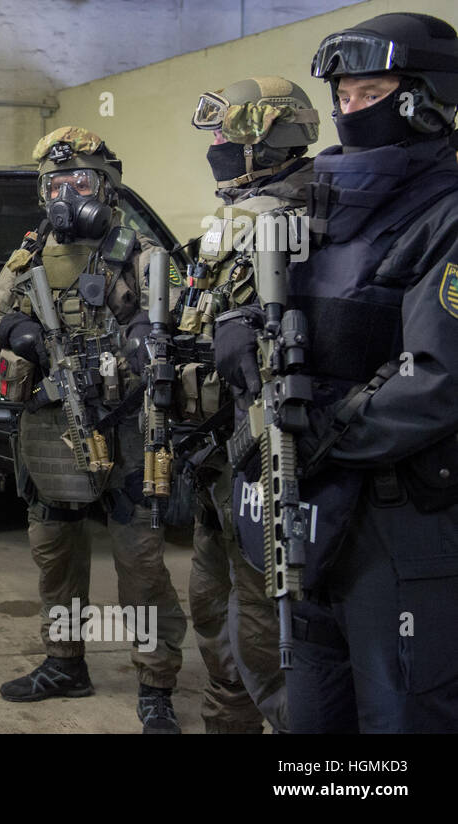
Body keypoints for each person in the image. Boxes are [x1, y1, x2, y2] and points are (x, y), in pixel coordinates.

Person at [214, 11, 458, 732]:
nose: (351, 110)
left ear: (427, 98)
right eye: (343, 96)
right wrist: (238, 325)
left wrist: (325, 431)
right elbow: (267, 294)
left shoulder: (445, 213)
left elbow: (437, 377)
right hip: (312, 510)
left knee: (401, 714)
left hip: (401, 521)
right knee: (312, 717)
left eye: (371, 93)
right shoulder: (320, 200)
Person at [0, 127, 188, 733]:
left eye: (80, 183)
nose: (65, 196)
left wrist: (147, 334)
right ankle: (65, 663)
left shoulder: (138, 252)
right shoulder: (29, 256)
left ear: (107, 188)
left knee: (140, 563)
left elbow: (178, 322)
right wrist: (15, 333)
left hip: (127, 428)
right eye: (54, 185)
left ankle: (156, 685)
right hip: (53, 428)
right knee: (54, 553)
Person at [179, 76, 320, 733]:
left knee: (264, 623)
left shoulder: (308, 213)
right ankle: (226, 722)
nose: (213, 146)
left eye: (223, 135)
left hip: (267, 456)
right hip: (215, 453)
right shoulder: (234, 219)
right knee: (211, 604)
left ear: (266, 142)